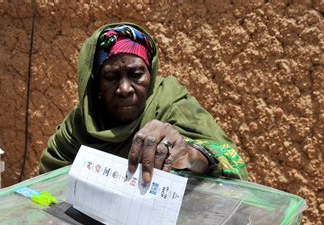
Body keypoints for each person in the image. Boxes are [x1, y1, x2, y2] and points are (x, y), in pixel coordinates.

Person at [39, 23, 247, 182]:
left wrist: (190, 155)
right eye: (111, 77)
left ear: (151, 75)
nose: (124, 89)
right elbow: (49, 182)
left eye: (136, 74)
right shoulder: (82, 124)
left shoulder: (170, 104)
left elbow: (232, 165)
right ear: (96, 85)